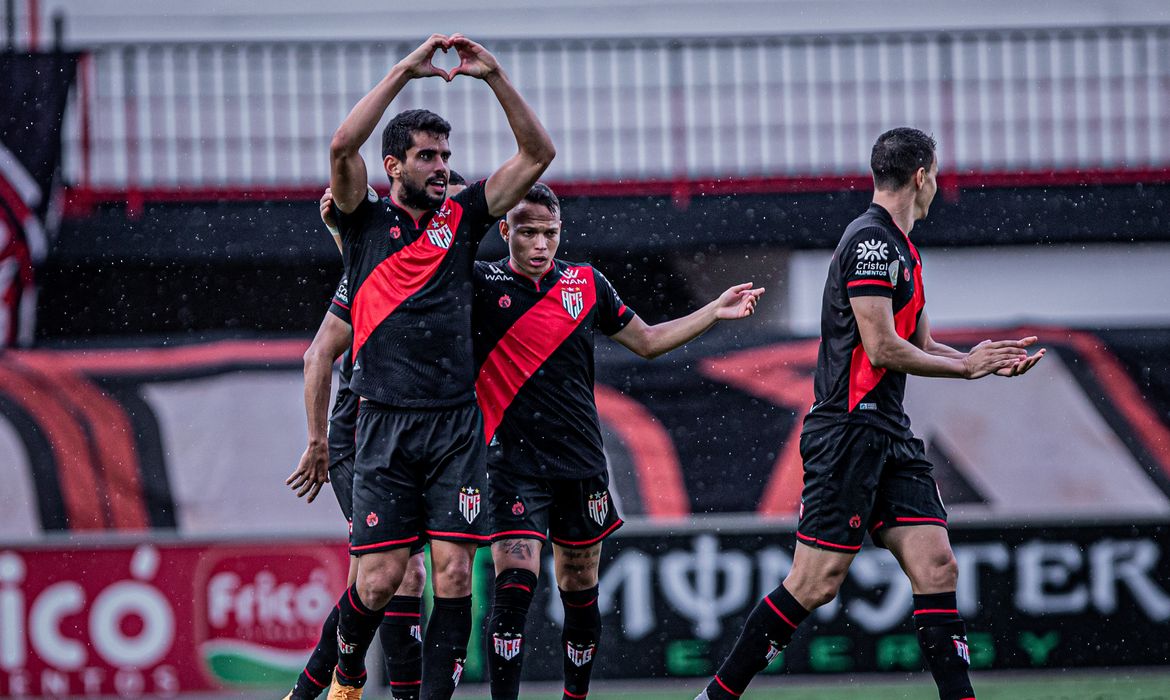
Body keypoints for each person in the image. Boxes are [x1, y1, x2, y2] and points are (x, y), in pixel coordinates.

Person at [697, 128, 1045, 700]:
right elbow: (881, 347)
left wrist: (979, 361)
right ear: (923, 176)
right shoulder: (871, 243)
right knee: (815, 583)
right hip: (848, 430)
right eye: (937, 177)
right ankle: (715, 697)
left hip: (889, 432)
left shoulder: (904, 249)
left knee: (937, 567)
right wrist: (965, 371)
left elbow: (922, 342)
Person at [324, 33, 554, 700]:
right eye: (426, 156)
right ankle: (344, 675)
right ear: (392, 165)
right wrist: (403, 71)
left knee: (454, 576)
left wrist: (495, 77)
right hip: (384, 424)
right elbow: (342, 147)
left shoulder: (463, 217)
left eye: (445, 156)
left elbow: (538, 155)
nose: (440, 165)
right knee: (376, 582)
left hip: (454, 425)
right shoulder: (361, 221)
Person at [476, 183, 764, 700]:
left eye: (550, 233)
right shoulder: (480, 284)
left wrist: (713, 313)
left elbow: (648, 341)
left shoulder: (585, 283)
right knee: (514, 588)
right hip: (512, 464)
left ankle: (575, 697)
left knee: (580, 586)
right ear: (504, 230)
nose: (541, 244)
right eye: (528, 232)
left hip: (580, 464)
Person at [282, 171, 467, 700]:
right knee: (395, 574)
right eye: (436, 217)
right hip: (360, 437)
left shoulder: (463, 280)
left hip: (425, 441)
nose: (441, 227)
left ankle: (332, 684)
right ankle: (339, 681)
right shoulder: (376, 270)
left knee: (388, 579)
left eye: (451, 218)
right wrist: (317, 441)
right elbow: (319, 352)